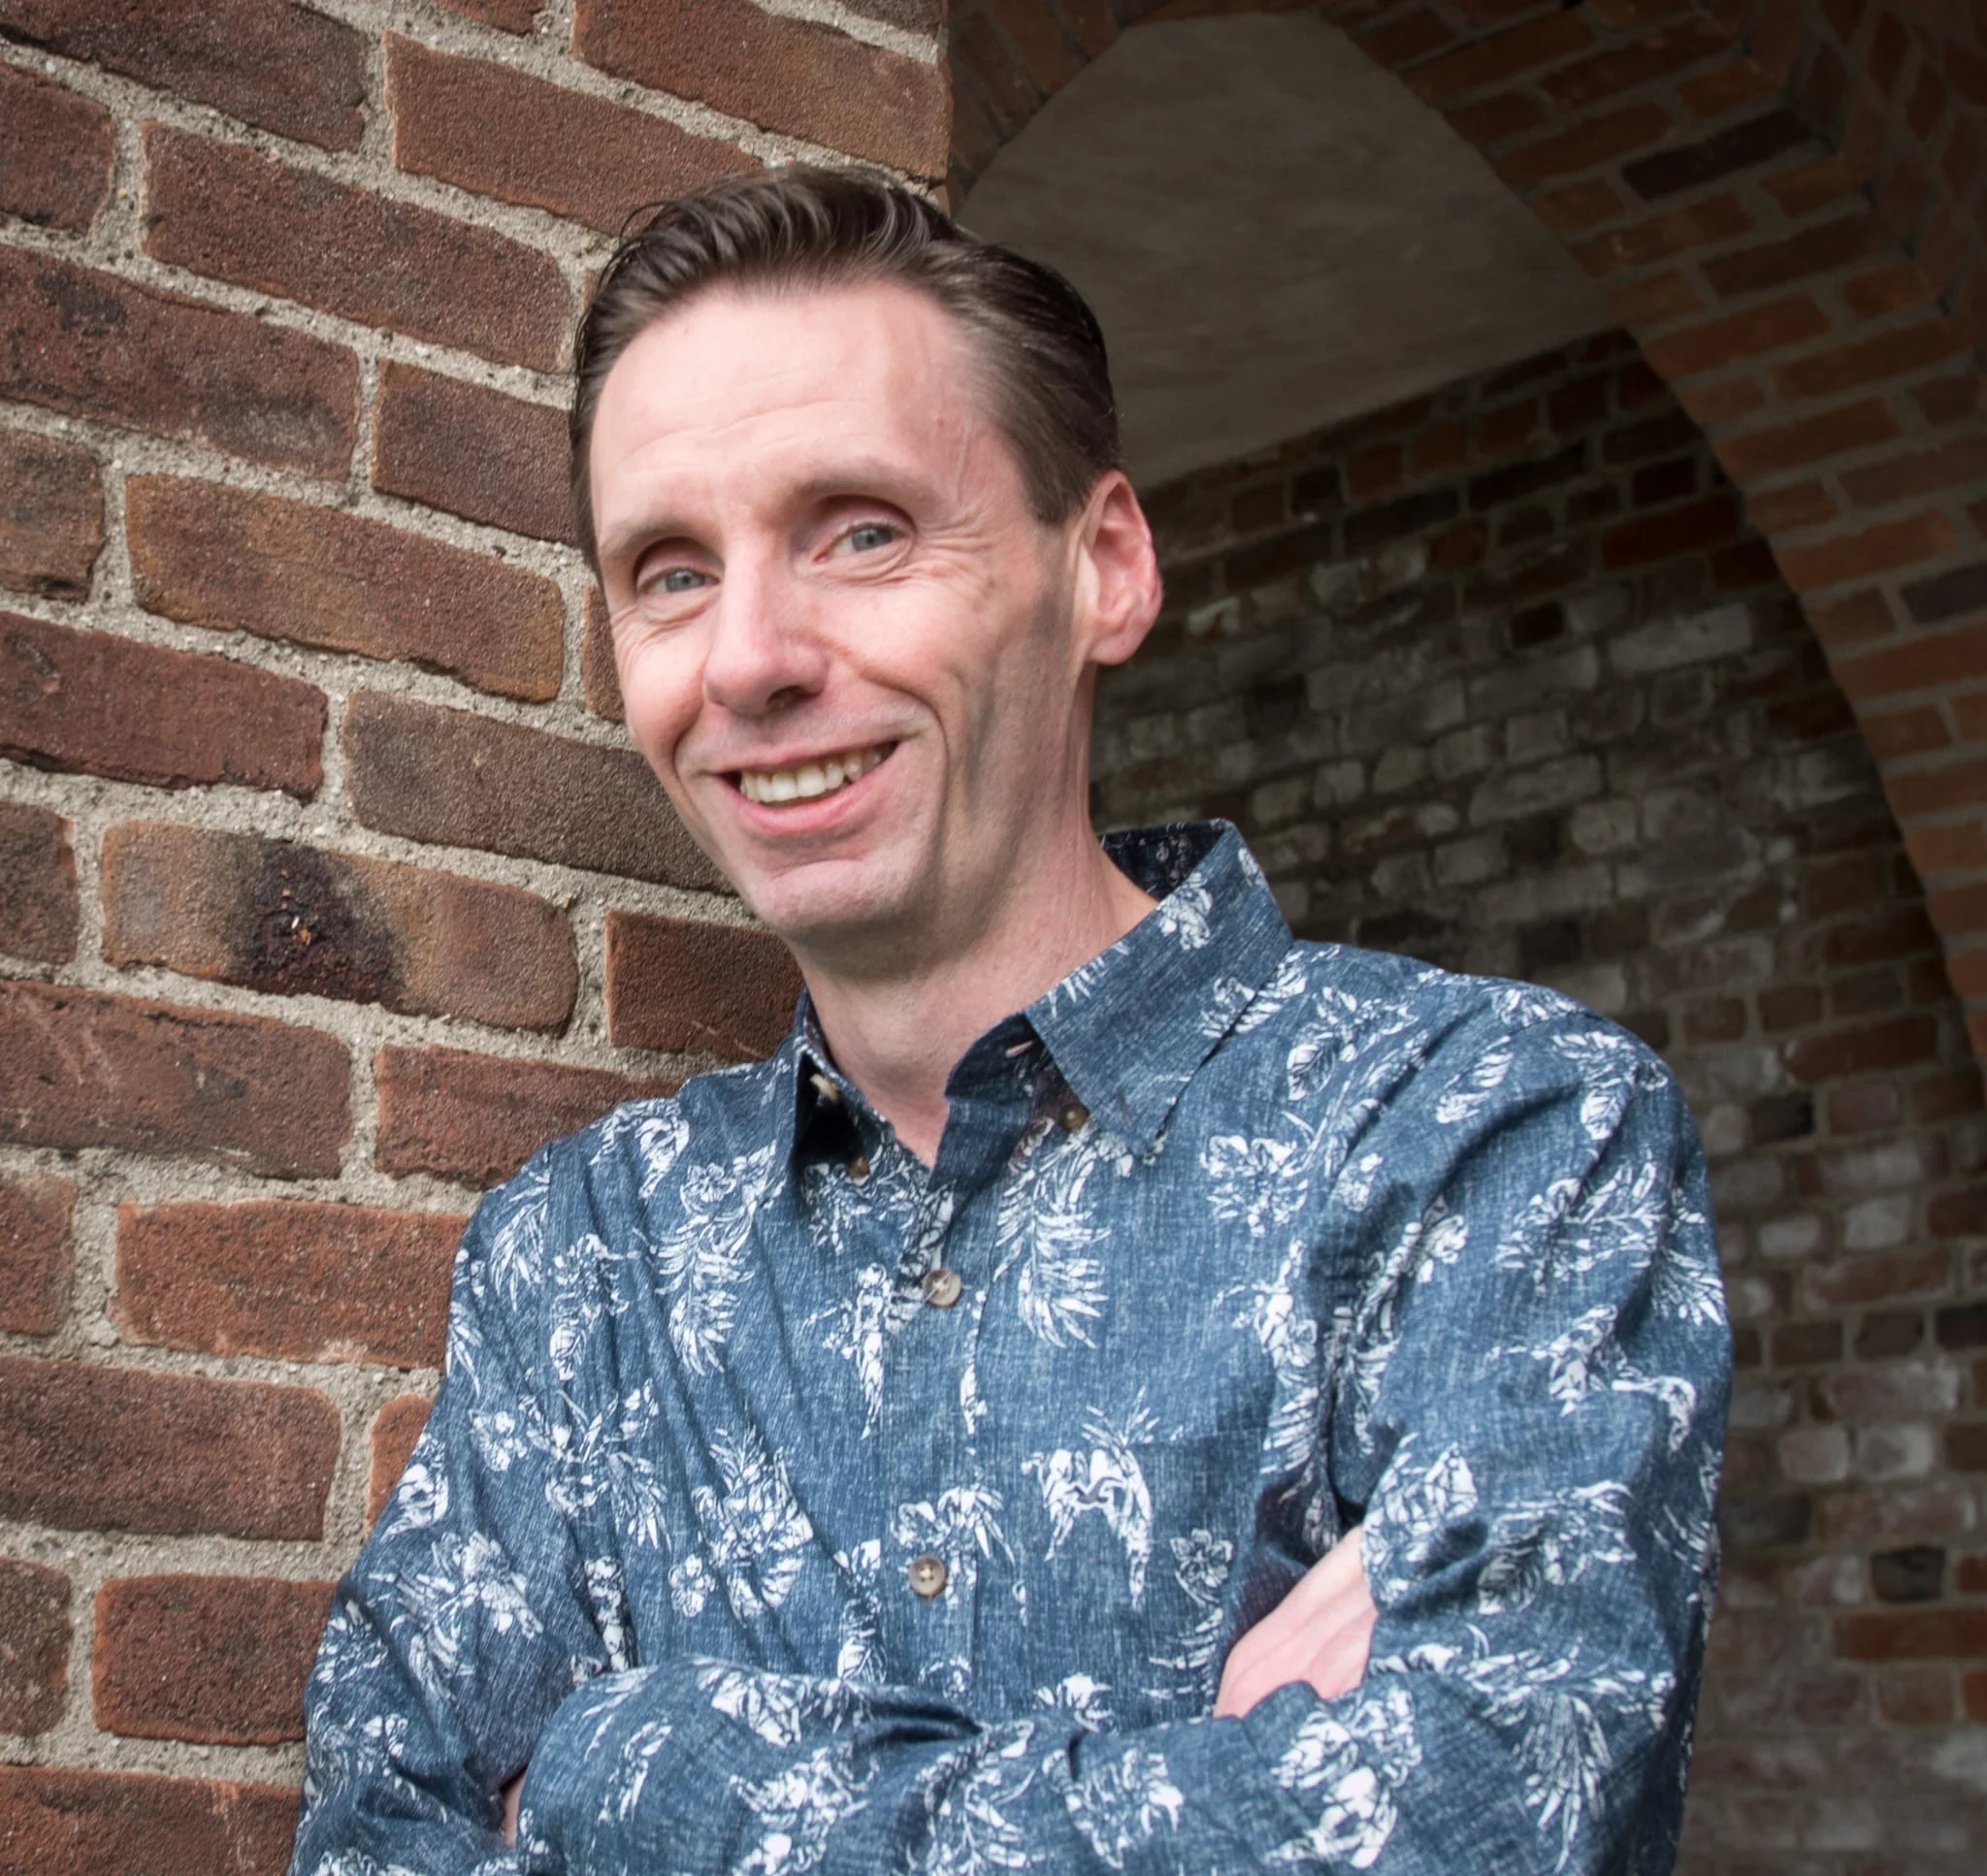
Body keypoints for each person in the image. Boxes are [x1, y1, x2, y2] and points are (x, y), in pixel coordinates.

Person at [289, 166, 1729, 1875]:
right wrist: (1223, 1782)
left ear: (1103, 567)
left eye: (864, 530)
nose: (747, 657)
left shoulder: (1489, 1138)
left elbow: (1488, 1826)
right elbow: (383, 1842)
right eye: (669, 571)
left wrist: (641, 1769)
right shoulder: (577, 1265)